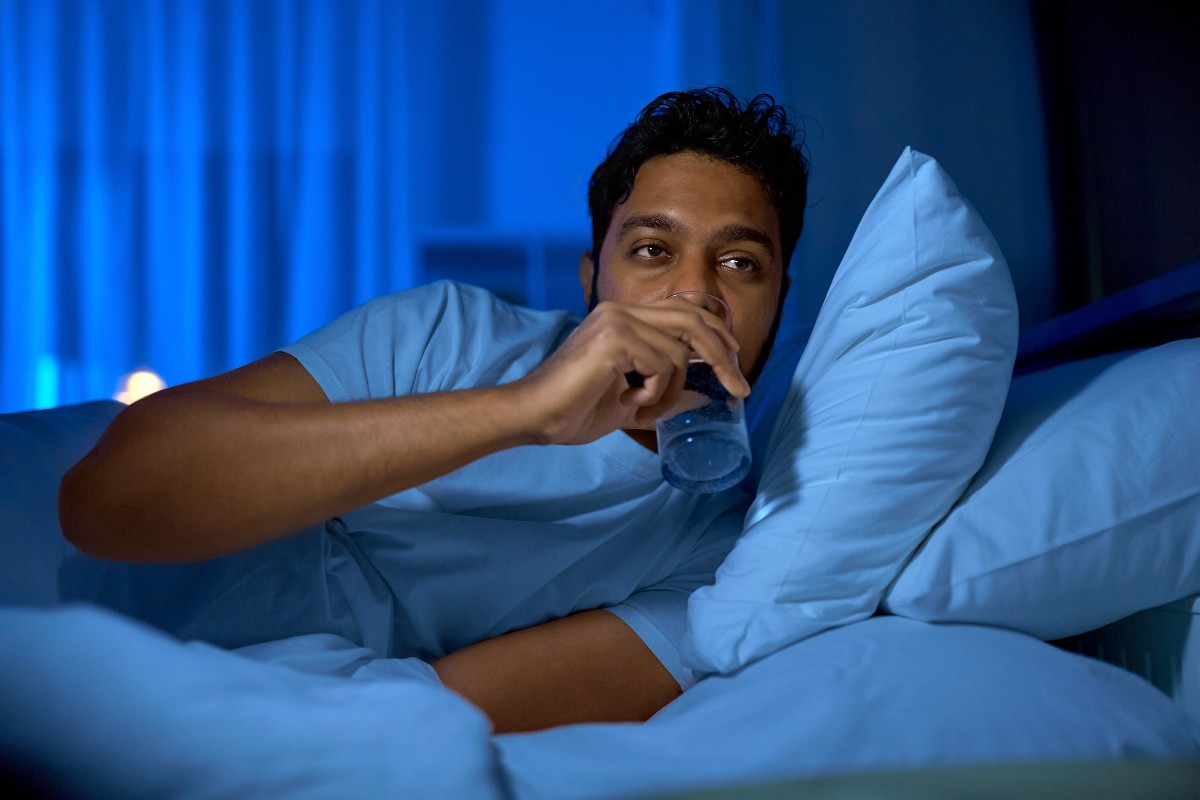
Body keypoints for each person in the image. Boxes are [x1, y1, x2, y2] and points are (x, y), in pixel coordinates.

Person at [57, 87, 810, 733]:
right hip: (96, 620)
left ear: (777, 311)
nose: (694, 293)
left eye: (741, 263)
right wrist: (525, 411)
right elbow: (104, 501)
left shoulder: (717, 561)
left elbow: (438, 709)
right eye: (651, 250)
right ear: (592, 281)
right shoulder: (446, 333)